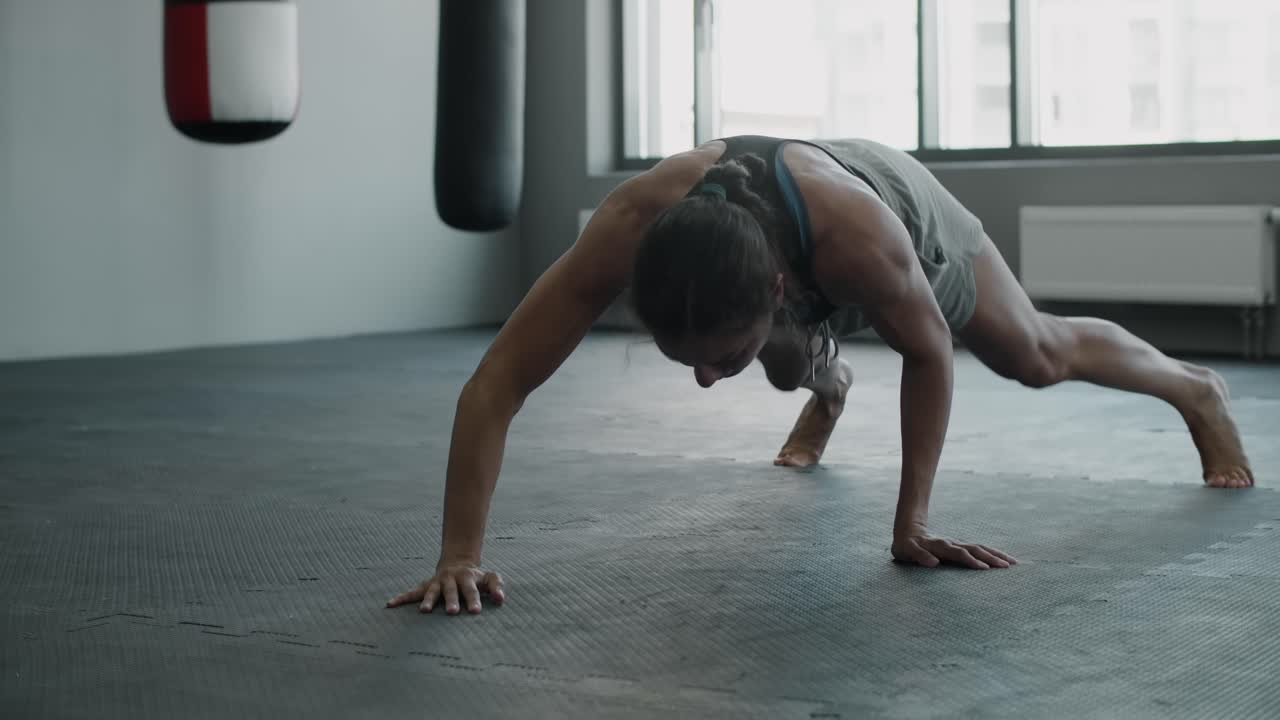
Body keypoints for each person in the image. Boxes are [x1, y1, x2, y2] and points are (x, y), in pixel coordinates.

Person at [386, 135, 1255, 616]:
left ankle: (1196, 390)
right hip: (771, 259)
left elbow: (927, 353)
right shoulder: (628, 228)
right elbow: (496, 381)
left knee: (1034, 355)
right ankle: (823, 383)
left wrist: (911, 523)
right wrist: (459, 554)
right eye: (678, 360)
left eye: (715, 360)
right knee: (774, 370)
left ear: (779, 290)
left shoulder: (861, 244)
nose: (701, 384)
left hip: (893, 201)